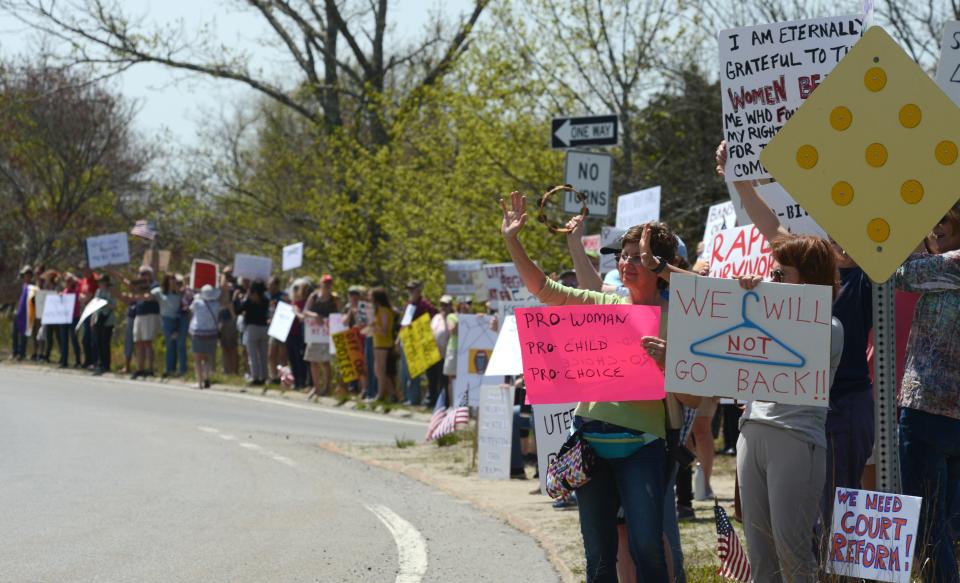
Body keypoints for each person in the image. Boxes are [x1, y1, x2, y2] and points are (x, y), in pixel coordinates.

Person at [500, 191, 672, 582]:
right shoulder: (603, 306)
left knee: (646, 547)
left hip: (642, 447)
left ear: (659, 264)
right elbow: (542, 288)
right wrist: (513, 239)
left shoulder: (680, 313)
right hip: (589, 444)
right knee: (598, 557)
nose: (627, 263)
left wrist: (670, 363)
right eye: (623, 256)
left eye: (638, 256)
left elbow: (696, 392)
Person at [716, 141, 875, 523]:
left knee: (839, 508)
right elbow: (770, 227)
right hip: (798, 408)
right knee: (799, 515)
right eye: (837, 229)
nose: (843, 239)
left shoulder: (873, 276)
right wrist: (738, 181)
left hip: (846, 403)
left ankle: (840, 579)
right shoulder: (808, 263)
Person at [894, 202, 960, 583]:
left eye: (942, 225)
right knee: (946, 529)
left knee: (927, 528)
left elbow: (901, 273)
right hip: (949, 420)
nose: (934, 231)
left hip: (928, 413)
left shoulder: (952, 265)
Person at [116, 266, 161, 378]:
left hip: (150, 315)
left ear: (149, 274)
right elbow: (129, 284)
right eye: (140, 273)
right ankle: (140, 368)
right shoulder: (140, 285)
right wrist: (115, 273)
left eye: (144, 273)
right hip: (139, 314)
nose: (141, 276)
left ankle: (150, 368)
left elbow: (149, 297)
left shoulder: (154, 285)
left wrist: (135, 297)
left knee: (147, 342)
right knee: (138, 342)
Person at [397, 280, 437, 406]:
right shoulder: (408, 304)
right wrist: (398, 339)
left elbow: (434, 316)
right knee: (404, 372)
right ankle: (406, 397)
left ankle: (414, 399)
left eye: (412, 289)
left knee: (414, 372)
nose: (410, 292)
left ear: (419, 290)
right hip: (405, 339)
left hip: (416, 341)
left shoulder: (424, 304)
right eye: (408, 289)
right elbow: (404, 323)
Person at [301, 274, 339, 399]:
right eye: (325, 283)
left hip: (327, 334)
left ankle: (326, 387)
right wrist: (315, 316)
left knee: (325, 361)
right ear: (321, 284)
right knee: (313, 360)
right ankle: (316, 387)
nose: (327, 285)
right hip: (314, 333)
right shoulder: (314, 296)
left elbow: (338, 314)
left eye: (329, 283)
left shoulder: (334, 298)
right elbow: (305, 311)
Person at [238, 279, 270, 386]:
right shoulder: (266, 300)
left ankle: (255, 376)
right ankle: (264, 376)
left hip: (252, 328)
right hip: (264, 328)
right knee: (263, 354)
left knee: (253, 355)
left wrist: (239, 299)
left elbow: (239, 309)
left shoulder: (250, 300)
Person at [189, 284, 221, 389]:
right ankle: (207, 378)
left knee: (197, 358)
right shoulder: (216, 304)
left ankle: (199, 382)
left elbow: (191, 309)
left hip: (198, 332)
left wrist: (196, 297)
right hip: (211, 333)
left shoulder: (198, 303)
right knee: (207, 357)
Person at [157, 273, 188, 378]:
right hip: (167, 320)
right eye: (172, 280)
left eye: (176, 280)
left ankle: (183, 370)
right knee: (170, 345)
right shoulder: (160, 292)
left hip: (179, 320)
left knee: (180, 345)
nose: (174, 282)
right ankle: (170, 369)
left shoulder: (181, 293)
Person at [370, 287, 397, 402]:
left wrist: (374, 326)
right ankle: (391, 394)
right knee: (378, 371)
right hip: (378, 343)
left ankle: (381, 395)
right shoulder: (378, 310)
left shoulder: (384, 311)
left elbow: (385, 330)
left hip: (384, 344)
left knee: (381, 371)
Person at [287, 278, 312, 389]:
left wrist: (297, 312)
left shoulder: (308, 303)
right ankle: (296, 381)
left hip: (301, 335)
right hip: (290, 334)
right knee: (292, 358)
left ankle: (304, 381)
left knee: (301, 358)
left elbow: (302, 316)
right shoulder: (292, 303)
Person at [91, 274, 117, 375]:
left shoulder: (111, 291)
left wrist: (104, 303)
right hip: (98, 318)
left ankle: (107, 364)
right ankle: (99, 363)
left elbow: (113, 305)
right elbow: (94, 305)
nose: (100, 284)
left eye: (102, 281)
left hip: (108, 319)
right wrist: (93, 319)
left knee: (105, 342)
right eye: (99, 282)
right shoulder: (98, 291)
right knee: (98, 342)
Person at [266, 276, 289, 385]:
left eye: (271, 285)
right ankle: (274, 376)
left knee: (282, 356)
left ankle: (284, 379)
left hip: (281, 328)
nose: (269, 287)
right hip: (272, 329)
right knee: (271, 355)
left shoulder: (283, 296)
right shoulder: (268, 296)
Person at [218, 267, 240, 375]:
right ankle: (226, 370)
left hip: (231, 318)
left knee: (232, 347)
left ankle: (234, 371)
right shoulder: (221, 285)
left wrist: (223, 274)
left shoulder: (234, 285)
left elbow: (224, 287)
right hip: (222, 318)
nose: (227, 275)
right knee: (224, 346)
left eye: (229, 273)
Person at [58, 273, 82, 369]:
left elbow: (81, 283)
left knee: (74, 339)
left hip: (74, 317)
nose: (68, 283)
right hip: (64, 318)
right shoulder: (65, 291)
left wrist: (74, 278)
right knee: (64, 340)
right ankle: (64, 360)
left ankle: (78, 361)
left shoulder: (76, 291)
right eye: (66, 281)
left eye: (70, 281)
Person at [77, 262, 98, 369]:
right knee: (85, 338)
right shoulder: (83, 281)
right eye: (81, 270)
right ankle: (87, 360)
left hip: (93, 311)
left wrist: (85, 297)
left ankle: (94, 361)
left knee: (93, 337)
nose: (83, 272)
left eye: (84, 269)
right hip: (85, 311)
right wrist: (83, 297)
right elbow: (80, 294)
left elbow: (91, 295)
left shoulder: (95, 279)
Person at [12, 265, 33, 360]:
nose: (26, 276)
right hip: (17, 312)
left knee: (23, 334)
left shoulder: (32, 287)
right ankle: (15, 352)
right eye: (25, 274)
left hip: (26, 314)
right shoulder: (20, 286)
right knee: (14, 333)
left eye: (28, 274)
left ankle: (22, 353)